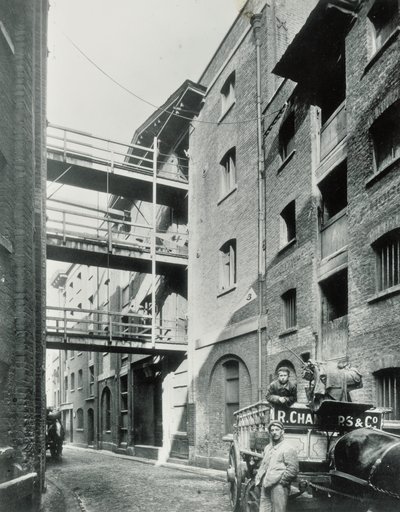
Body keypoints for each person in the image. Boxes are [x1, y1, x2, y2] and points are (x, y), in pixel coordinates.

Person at [255, 421, 299, 512]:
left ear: (282, 431)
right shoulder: (268, 448)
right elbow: (264, 465)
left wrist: (282, 482)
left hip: (278, 486)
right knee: (264, 510)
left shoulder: (288, 448)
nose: (274, 432)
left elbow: (293, 469)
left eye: (277, 430)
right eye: (272, 430)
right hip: (266, 484)